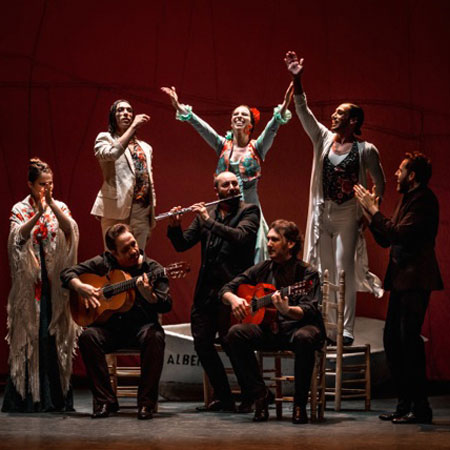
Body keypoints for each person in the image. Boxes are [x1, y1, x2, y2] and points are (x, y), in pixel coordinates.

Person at [284, 50, 386, 345]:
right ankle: (327, 325)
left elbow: (378, 183)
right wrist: (297, 79)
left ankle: (347, 328)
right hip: (323, 212)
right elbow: (303, 111)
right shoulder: (323, 139)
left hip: (347, 214)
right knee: (323, 272)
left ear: (353, 120)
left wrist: (370, 214)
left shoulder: (366, 149)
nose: (333, 115)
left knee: (344, 269)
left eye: (340, 113)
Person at [354, 152, 443, 424]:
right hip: (402, 281)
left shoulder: (424, 200)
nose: (395, 175)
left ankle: (420, 408)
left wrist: (374, 211)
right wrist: (370, 214)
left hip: (416, 280)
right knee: (394, 341)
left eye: (400, 170)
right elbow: (387, 239)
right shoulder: (408, 199)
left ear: (412, 175)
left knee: (408, 342)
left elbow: (401, 234)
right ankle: (405, 405)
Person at [161, 84, 292, 263]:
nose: (239, 116)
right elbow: (201, 127)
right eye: (235, 115)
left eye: (244, 114)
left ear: (251, 124)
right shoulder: (222, 145)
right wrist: (178, 106)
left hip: (250, 211)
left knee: (253, 256)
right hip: (227, 211)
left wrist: (285, 104)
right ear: (231, 123)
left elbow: (273, 127)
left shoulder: (257, 147)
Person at [167, 171, 260, 412]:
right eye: (225, 185)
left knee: (232, 344)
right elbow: (182, 244)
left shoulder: (249, 211)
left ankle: (252, 395)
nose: (231, 187)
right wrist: (175, 226)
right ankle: (223, 397)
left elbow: (240, 237)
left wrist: (208, 222)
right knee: (202, 345)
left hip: (232, 291)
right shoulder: (206, 216)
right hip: (206, 292)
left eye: (233, 184)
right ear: (216, 191)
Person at [60, 224, 172, 420]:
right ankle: (106, 402)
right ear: (113, 253)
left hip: (141, 329)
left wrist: (150, 296)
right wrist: (80, 287)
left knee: (155, 336)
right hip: (111, 330)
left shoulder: (153, 269)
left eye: (133, 244)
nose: (133, 251)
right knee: (88, 336)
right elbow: (66, 274)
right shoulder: (104, 263)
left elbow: (166, 304)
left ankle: (146, 404)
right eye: (125, 249)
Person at [221, 219, 325, 424]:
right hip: (271, 329)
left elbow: (309, 309)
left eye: (275, 240)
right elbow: (226, 289)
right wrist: (233, 299)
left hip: (300, 328)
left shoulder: (307, 274)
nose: (268, 244)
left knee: (305, 338)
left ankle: (299, 404)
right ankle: (260, 395)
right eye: (268, 239)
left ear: (291, 244)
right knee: (235, 334)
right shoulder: (262, 268)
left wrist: (287, 310)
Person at [2, 158, 79, 413]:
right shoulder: (20, 209)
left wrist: (51, 206)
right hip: (30, 284)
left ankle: (55, 400)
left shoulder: (61, 206)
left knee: (53, 338)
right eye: (42, 184)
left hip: (54, 284)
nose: (47, 188)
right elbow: (17, 238)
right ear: (30, 184)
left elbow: (71, 230)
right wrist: (37, 213)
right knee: (32, 339)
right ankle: (27, 398)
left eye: (50, 183)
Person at [91, 99, 156, 251]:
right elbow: (112, 154)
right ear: (113, 116)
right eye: (120, 110)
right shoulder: (104, 138)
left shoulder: (146, 147)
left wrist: (151, 205)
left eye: (129, 110)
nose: (125, 113)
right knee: (114, 256)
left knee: (138, 255)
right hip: (116, 207)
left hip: (142, 208)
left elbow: (148, 176)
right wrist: (133, 127)